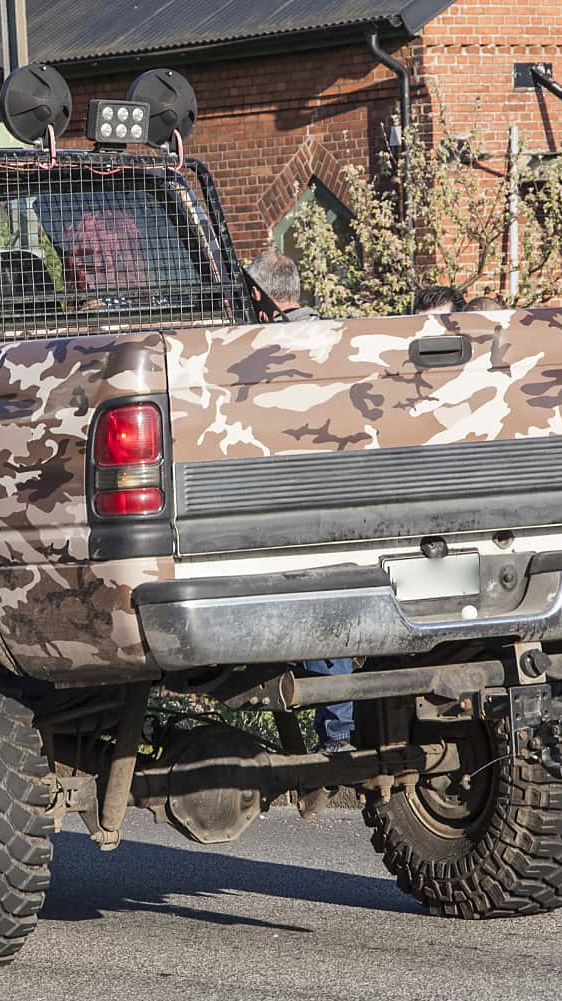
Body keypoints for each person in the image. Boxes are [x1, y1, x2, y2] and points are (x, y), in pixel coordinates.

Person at [245, 251, 355, 751]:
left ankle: (327, 728)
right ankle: (338, 728)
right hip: (337, 487)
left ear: (258, 297)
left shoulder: (261, 348)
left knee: (311, 612)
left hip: (289, 493)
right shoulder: (337, 338)